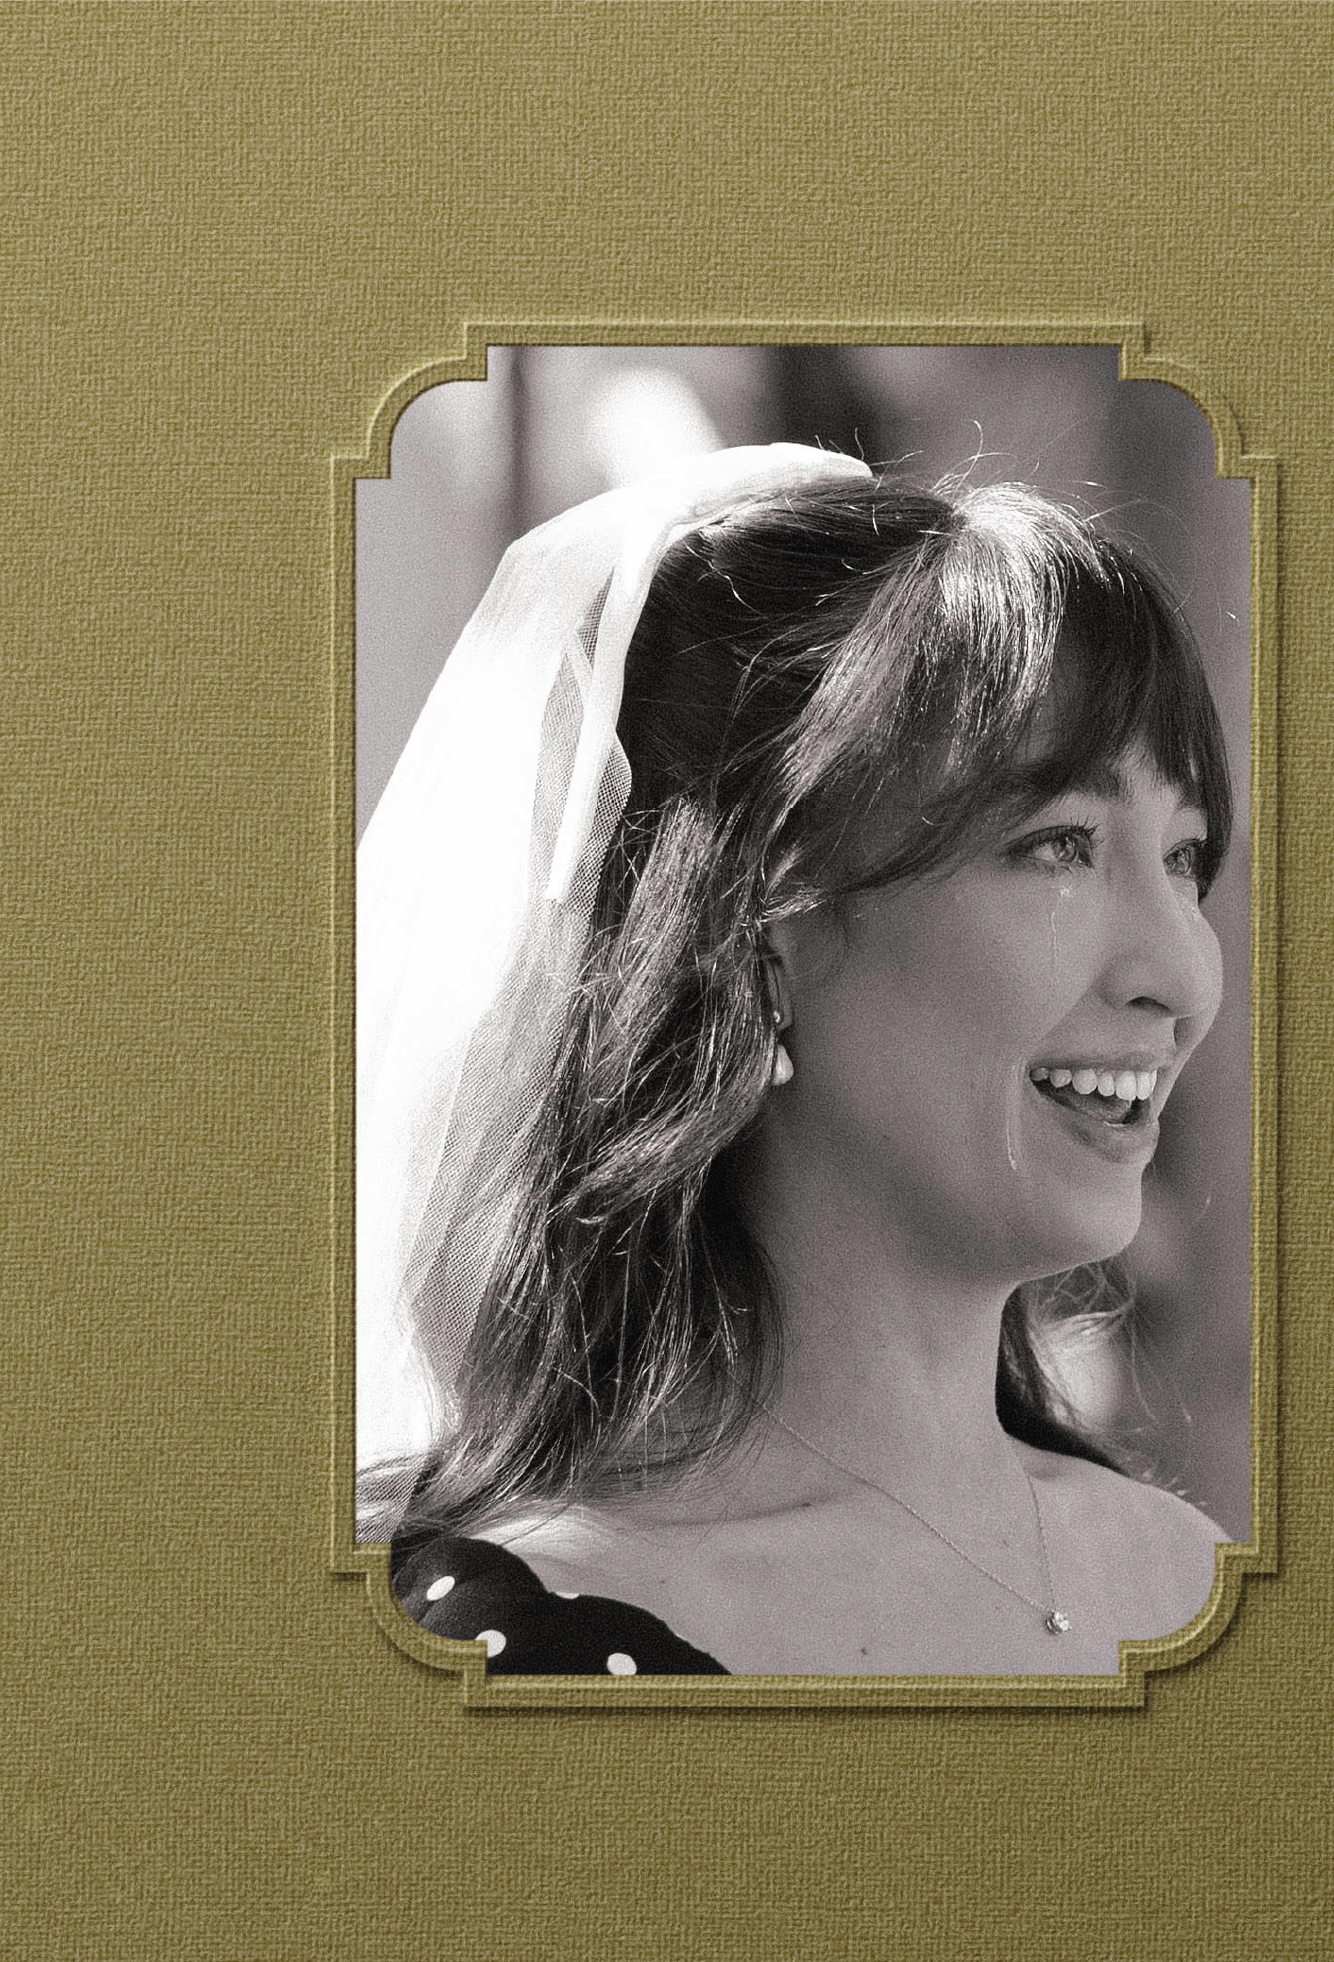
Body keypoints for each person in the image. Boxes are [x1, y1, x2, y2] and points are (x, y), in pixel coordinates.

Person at [357, 442, 1233, 1676]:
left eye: (1186, 855)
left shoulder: (1201, 1581)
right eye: (1059, 844)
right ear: (762, 929)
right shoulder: (491, 1650)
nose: (1184, 977)